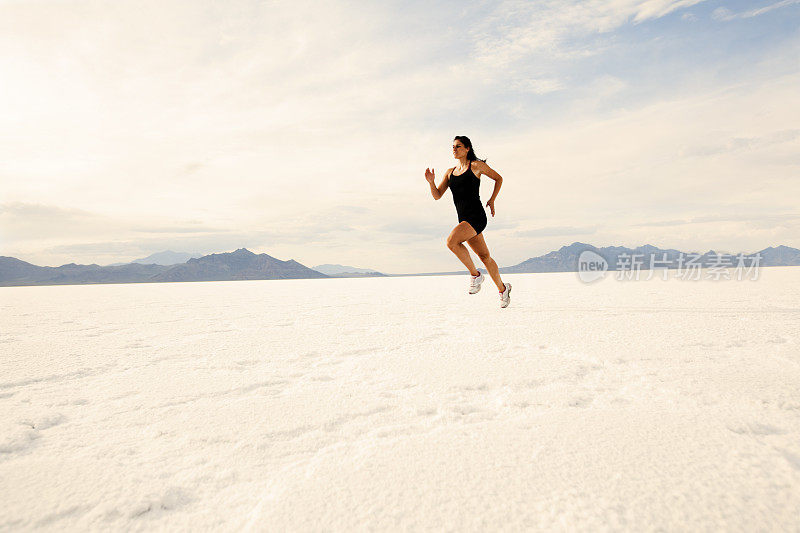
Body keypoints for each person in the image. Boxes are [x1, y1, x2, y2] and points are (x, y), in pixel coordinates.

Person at [425, 135, 511, 308]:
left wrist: (492, 199)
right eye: (453, 147)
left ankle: (475, 275)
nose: (454, 149)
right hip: (464, 220)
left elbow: (498, 178)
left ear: (467, 149)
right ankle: (503, 289)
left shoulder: (477, 166)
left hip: (476, 217)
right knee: (485, 256)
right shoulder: (450, 172)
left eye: (458, 146)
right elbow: (437, 195)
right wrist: (431, 182)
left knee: (451, 242)